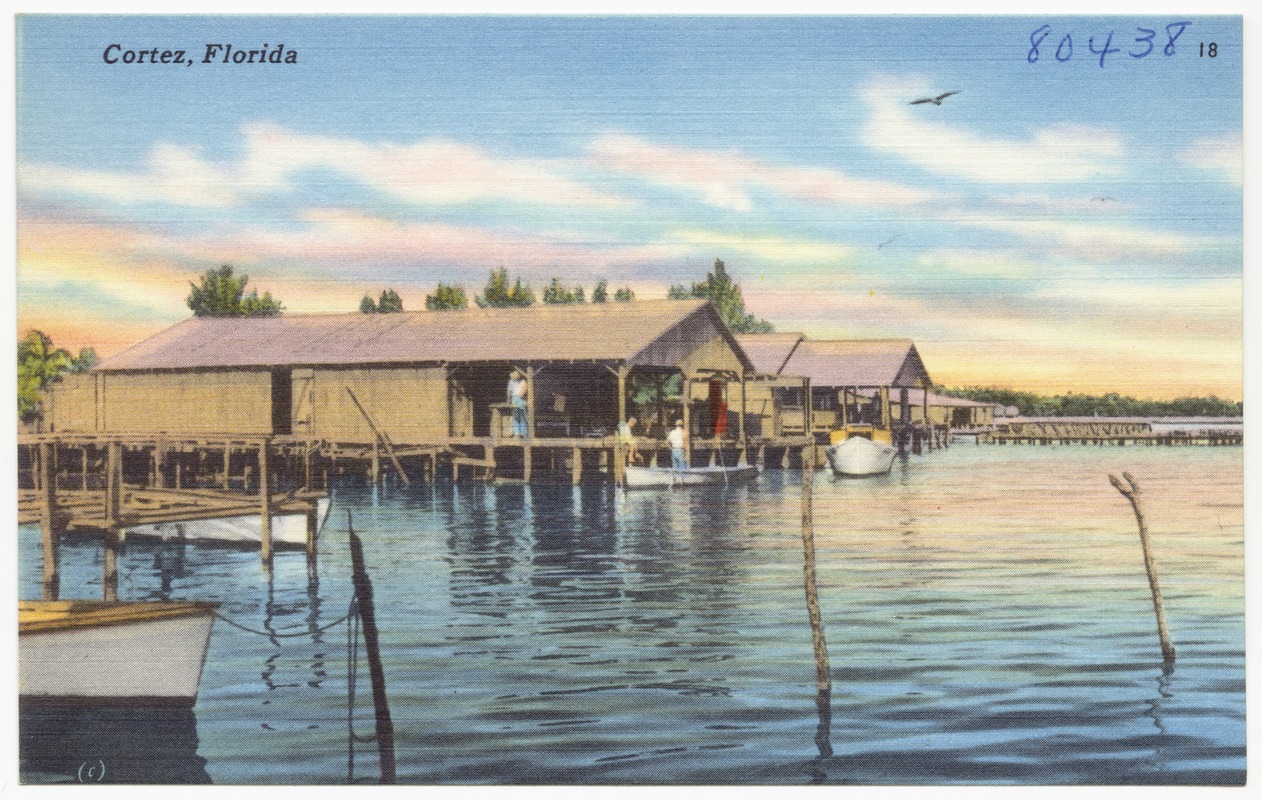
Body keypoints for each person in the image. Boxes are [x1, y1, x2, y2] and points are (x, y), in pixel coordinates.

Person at [507, 370, 528, 437]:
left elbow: (524, 391)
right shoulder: (511, 381)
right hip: (514, 398)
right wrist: (508, 400)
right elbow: (509, 391)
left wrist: (520, 396)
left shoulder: (523, 382)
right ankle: (517, 433)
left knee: (521, 416)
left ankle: (523, 433)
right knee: (515, 416)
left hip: (520, 399)